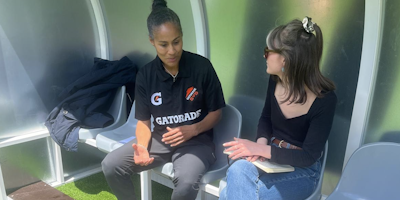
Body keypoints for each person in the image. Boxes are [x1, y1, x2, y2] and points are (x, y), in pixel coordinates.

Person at [101, 0, 225, 199]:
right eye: (163, 44)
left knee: (186, 182)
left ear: (182, 36)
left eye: (176, 42)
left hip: (196, 142)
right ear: (152, 41)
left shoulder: (202, 67)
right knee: (111, 165)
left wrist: (192, 129)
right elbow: (143, 122)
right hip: (160, 140)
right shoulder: (145, 75)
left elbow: (216, 113)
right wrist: (141, 147)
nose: (172, 51)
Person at [219, 17, 337, 200]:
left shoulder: (325, 100)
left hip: (303, 171)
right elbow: (266, 119)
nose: (264, 55)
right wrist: (260, 147)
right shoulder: (275, 81)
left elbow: (308, 156)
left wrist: (259, 150)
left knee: (232, 192)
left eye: (268, 51)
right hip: (270, 157)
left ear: (285, 60)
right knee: (239, 170)